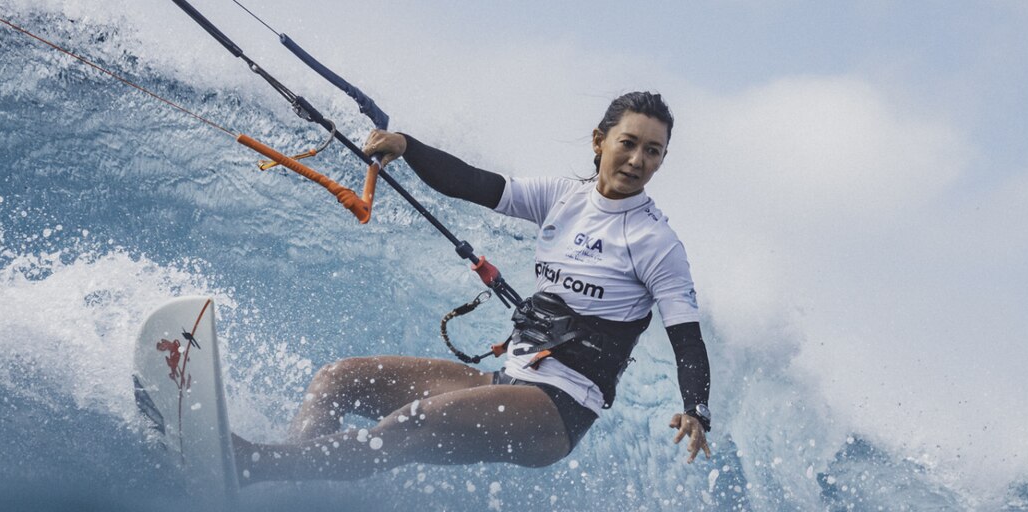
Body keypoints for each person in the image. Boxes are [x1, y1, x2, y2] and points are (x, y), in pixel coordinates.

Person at [233, 91, 712, 484]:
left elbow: (686, 339)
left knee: (410, 425)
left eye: (653, 151)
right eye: (628, 143)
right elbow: (472, 183)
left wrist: (696, 409)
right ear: (599, 140)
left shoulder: (656, 243)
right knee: (339, 379)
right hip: (509, 381)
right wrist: (407, 145)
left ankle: (253, 465)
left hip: (558, 410)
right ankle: (291, 479)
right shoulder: (562, 198)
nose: (637, 159)